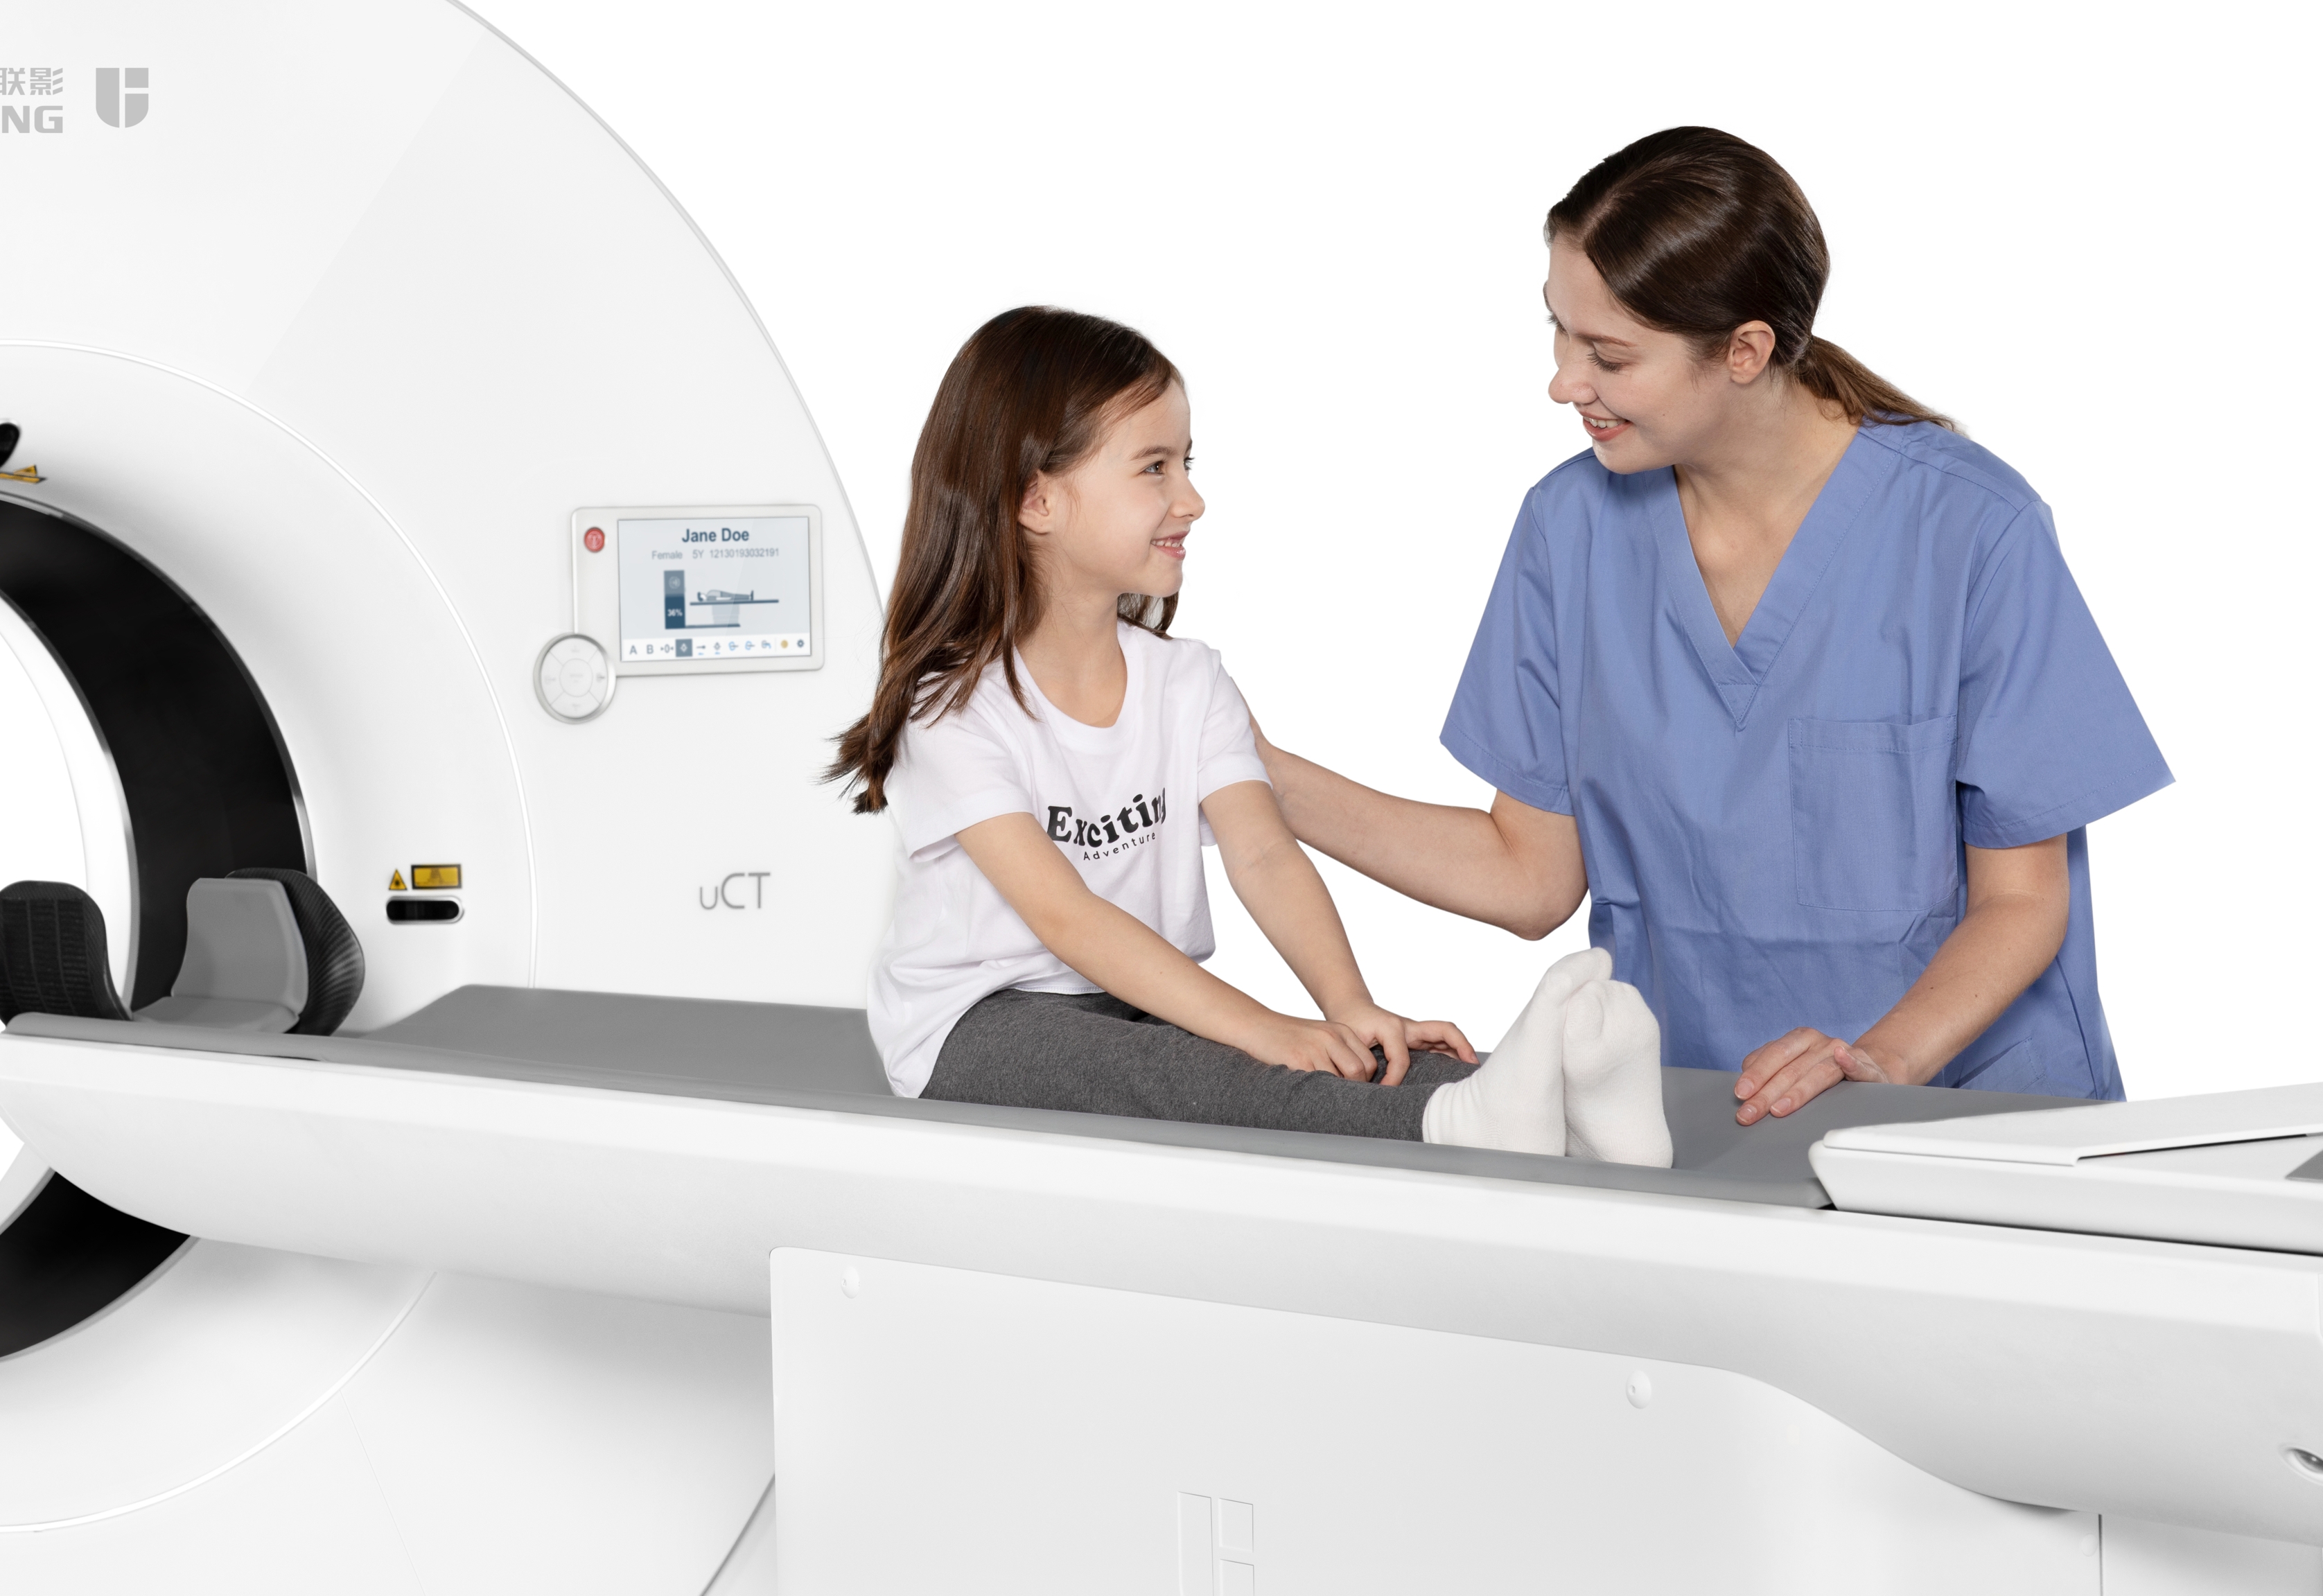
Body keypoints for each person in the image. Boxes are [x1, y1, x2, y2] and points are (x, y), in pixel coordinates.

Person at [1257, 128, 2170, 1125]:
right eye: (1559, 330)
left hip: (1970, 1119)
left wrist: (1875, 1060)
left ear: (1745, 350)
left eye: (1609, 354)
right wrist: (1245, 769)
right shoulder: (1570, 528)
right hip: (1703, 1112)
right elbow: (1529, 877)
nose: (1564, 381)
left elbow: (2024, 901)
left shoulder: (1972, 530)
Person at [833, 304, 1672, 1163]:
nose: (1191, 499)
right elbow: (1067, 918)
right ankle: (1451, 1121)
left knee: (1313, 1052)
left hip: (1138, 1004)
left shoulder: (1188, 681)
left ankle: (1572, 1112)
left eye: (1186, 463)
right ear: (1035, 499)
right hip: (979, 1024)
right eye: (1154, 467)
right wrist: (1269, 1027)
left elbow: (1266, 855)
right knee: (1218, 1063)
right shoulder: (954, 709)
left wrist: (1348, 1007)